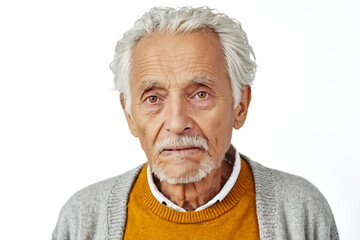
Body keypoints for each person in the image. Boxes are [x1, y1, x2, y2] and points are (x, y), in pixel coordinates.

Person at [52, 6, 339, 240]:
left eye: (201, 94)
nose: (177, 123)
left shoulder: (301, 211)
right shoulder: (82, 221)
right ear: (129, 115)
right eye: (153, 98)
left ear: (240, 105)